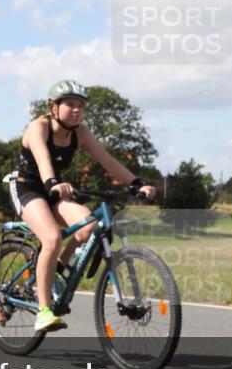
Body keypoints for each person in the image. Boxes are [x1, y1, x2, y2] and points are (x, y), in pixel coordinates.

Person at [8, 80, 157, 331]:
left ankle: (58, 265)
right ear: (53, 107)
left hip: (55, 189)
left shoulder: (81, 133)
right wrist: (54, 182)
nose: (77, 110)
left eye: (81, 106)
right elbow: (43, 160)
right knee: (52, 238)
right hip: (28, 187)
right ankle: (44, 311)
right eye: (70, 105)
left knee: (89, 226)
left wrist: (137, 183)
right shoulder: (38, 127)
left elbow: (107, 161)